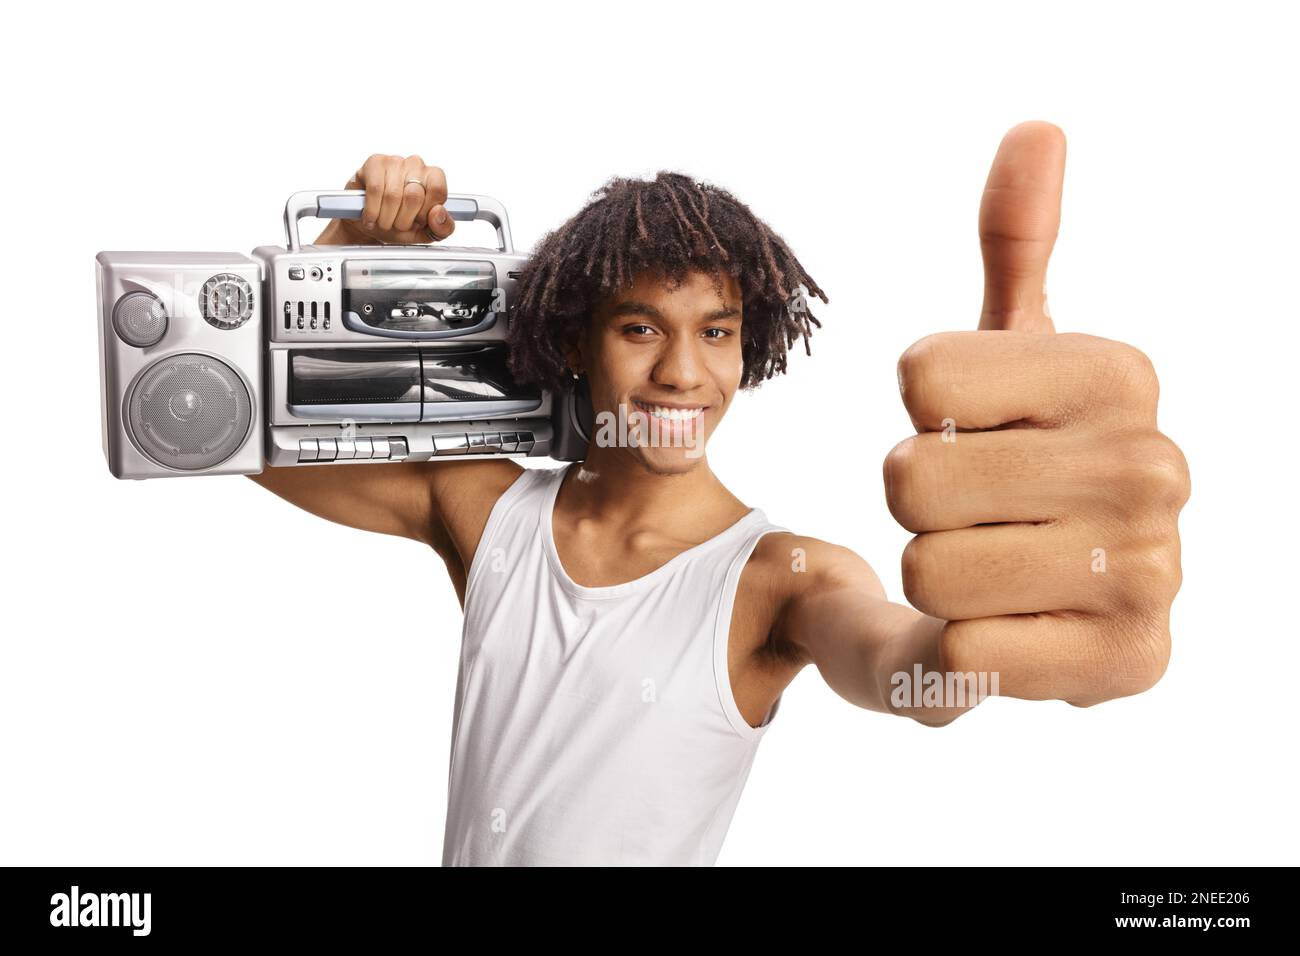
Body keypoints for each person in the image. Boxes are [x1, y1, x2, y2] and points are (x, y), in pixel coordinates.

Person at [249, 121, 1190, 865]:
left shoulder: (781, 578)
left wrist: (995, 628)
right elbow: (262, 444)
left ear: (752, 344)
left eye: (716, 331)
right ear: (577, 341)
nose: (682, 374)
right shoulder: (492, 512)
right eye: (640, 328)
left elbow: (909, 670)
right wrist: (341, 253)